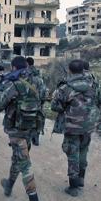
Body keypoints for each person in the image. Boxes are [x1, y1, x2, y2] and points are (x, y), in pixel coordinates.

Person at [51, 60, 100, 197]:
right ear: (83, 70)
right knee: (83, 151)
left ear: (70, 70)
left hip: (72, 127)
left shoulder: (65, 88)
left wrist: (66, 108)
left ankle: (73, 187)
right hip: (89, 126)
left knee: (72, 155)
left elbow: (55, 106)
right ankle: (81, 179)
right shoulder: (93, 84)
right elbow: (97, 100)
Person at [0, 56, 44, 201]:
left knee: (24, 163)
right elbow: (43, 98)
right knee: (18, 157)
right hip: (32, 126)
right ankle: (9, 185)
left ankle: (33, 197)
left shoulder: (13, 83)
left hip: (17, 128)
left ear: (14, 67)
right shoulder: (38, 81)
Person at [26, 57, 47, 146]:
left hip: (27, 102)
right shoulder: (39, 76)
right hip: (38, 102)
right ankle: (36, 137)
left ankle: (28, 138)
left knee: (27, 119)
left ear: (27, 63)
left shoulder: (25, 74)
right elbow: (43, 90)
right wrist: (41, 101)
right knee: (38, 118)